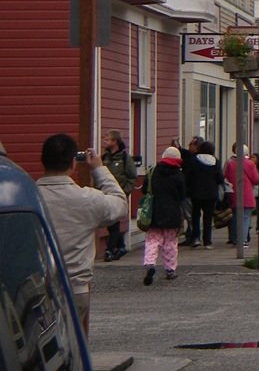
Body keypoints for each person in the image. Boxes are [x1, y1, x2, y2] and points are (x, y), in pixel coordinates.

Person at [36, 134, 128, 331]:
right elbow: (120, 204)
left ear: (43, 160)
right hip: (75, 288)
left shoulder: (29, 197)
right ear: (73, 162)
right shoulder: (87, 199)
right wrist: (99, 169)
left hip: (36, 289)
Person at [142, 146, 187, 285]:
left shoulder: (153, 172)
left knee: (152, 240)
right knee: (170, 242)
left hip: (155, 211)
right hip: (172, 212)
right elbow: (182, 195)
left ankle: (150, 264)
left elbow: (145, 189)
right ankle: (170, 270)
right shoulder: (179, 175)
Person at [100, 129, 136, 261]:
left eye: (107, 139)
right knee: (110, 223)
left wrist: (125, 191)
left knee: (114, 223)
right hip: (105, 196)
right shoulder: (105, 158)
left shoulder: (125, 158)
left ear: (115, 141)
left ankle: (109, 250)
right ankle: (121, 246)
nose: (104, 141)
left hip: (118, 195)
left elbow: (132, 177)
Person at [185, 141, 223, 249]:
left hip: (196, 192)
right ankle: (207, 241)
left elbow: (188, 176)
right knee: (208, 217)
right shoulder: (215, 161)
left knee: (196, 215)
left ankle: (196, 238)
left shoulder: (194, 160)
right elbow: (220, 178)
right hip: (211, 193)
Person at [223, 144, 259, 246]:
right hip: (247, 193)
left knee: (235, 217)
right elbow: (256, 180)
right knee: (246, 217)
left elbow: (226, 178)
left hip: (234, 193)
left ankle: (235, 238)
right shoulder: (250, 164)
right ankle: (242, 240)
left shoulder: (230, 164)